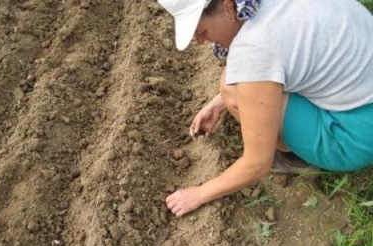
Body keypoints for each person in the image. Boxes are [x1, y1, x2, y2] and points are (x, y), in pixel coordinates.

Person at [157, 0, 373, 218]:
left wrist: (199, 193)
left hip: (355, 135)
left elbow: (257, 164)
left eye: (202, 31)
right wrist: (218, 102)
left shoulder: (253, 48)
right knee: (232, 86)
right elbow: (289, 52)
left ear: (226, 7)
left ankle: (295, 156)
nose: (201, 40)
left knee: (231, 88)